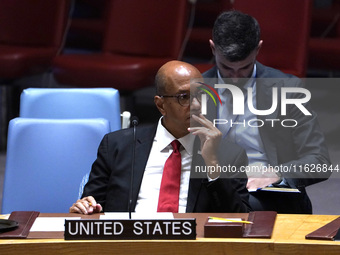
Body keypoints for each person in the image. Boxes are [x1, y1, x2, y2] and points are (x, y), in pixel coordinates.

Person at [70, 60, 251, 214]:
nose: (196, 104)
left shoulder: (228, 154)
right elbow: (92, 205)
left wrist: (212, 165)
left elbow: (241, 220)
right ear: (160, 105)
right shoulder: (117, 146)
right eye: (184, 97)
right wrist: (85, 208)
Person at [203, 10, 331, 213]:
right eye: (227, 68)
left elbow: (319, 161)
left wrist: (277, 173)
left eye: (244, 68)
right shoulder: (195, 89)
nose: (235, 78)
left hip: (268, 192)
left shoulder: (288, 89)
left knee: (238, 211)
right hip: (213, 185)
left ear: (258, 49)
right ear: (212, 48)